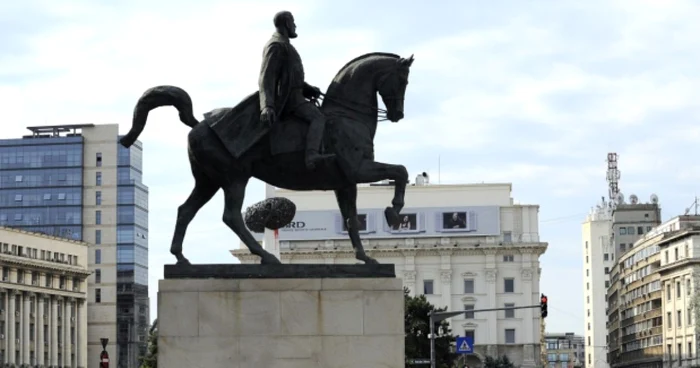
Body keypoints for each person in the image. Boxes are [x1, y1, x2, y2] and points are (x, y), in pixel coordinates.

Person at [258, 10, 336, 170]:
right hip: (290, 100)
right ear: (287, 23)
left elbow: (291, 78)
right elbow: (267, 77)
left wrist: (308, 89)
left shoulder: (285, 45)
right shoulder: (276, 45)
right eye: (293, 22)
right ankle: (311, 155)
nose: (294, 25)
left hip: (298, 95)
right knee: (318, 118)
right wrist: (267, 105)